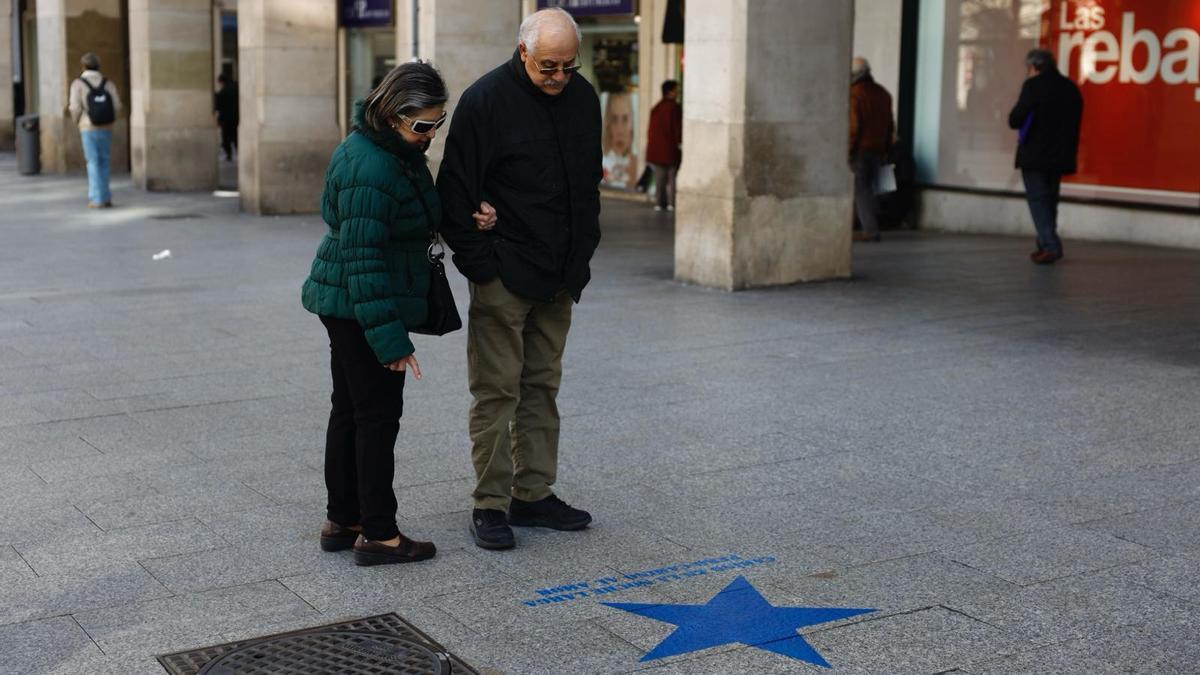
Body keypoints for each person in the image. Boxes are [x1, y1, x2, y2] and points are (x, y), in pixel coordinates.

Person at [301, 62, 495, 566]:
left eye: (438, 123)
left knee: (349, 409)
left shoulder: (390, 149)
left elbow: (407, 216)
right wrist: (391, 342)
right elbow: (363, 259)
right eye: (423, 125)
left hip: (348, 298)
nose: (431, 134)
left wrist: (468, 215)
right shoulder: (374, 165)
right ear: (392, 115)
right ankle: (380, 534)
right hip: (362, 301)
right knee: (376, 417)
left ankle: (343, 519)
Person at [437, 7, 602, 551]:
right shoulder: (485, 100)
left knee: (541, 387)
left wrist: (582, 256)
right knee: (496, 390)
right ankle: (489, 504)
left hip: (559, 275)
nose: (558, 78)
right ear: (523, 52)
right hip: (505, 273)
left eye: (567, 67)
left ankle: (533, 494)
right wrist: (482, 264)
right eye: (547, 67)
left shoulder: (582, 98)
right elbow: (456, 191)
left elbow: (587, 183)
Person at [1008, 49, 1082, 265]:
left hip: (1035, 155)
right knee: (1050, 200)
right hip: (1060, 155)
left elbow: (1015, 119)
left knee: (1038, 200)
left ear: (1034, 67)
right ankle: (1044, 244)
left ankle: (1050, 245)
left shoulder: (1033, 86)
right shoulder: (1070, 87)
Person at [849, 57, 894, 243]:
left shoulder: (855, 94)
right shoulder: (883, 93)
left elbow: (853, 128)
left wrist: (848, 150)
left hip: (861, 149)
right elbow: (890, 125)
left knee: (861, 189)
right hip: (878, 149)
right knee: (870, 189)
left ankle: (870, 230)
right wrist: (886, 148)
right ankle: (856, 225)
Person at [68, 53, 122, 209]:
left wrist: (77, 120)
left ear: (83, 66)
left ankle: (96, 198)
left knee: (93, 162)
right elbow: (117, 105)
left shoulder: (78, 84)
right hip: (106, 126)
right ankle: (105, 197)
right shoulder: (108, 83)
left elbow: (74, 107)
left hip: (88, 127)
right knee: (104, 160)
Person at [645, 80, 682, 211]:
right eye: (676, 89)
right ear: (670, 91)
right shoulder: (675, 108)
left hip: (657, 150)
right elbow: (677, 129)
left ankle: (659, 202)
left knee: (660, 177)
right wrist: (680, 144)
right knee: (672, 176)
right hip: (670, 148)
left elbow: (650, 130)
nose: (677, 92)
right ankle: (672, 203)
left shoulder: (656, 108)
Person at [601, 91, 637, 188]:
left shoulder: (636, 162)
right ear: (608, 124)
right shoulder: (601, 159)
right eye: (614, 119)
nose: (620, 130)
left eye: (625, 119)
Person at [213, 73, 239, 162]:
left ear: (221, 82)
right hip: (237, 117)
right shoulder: (237, 88)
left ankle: (229, 155)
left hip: (226, 118)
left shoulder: (222, 92)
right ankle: (239, 152)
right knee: (236, 136)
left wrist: (219, 119)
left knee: (226, 137)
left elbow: (218, 107)